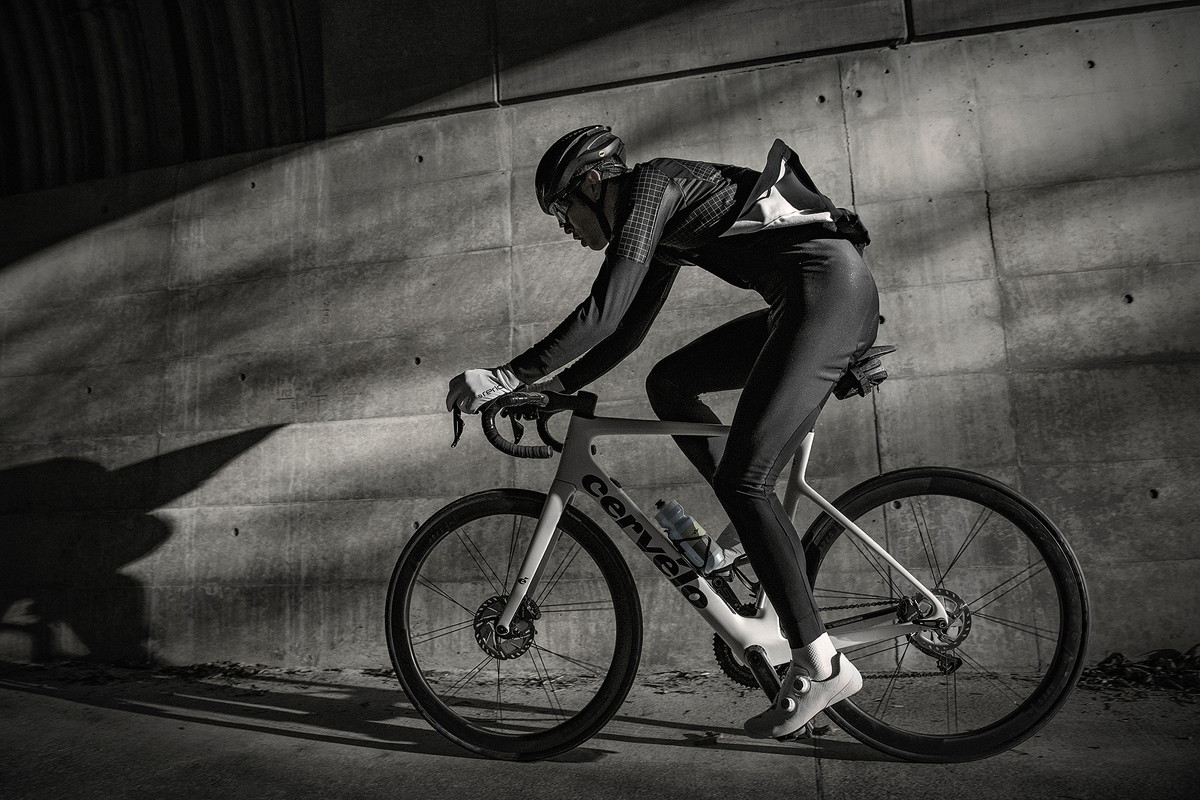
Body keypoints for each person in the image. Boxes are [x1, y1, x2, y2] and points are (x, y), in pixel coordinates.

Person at [445, 125, 879, 739]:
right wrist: (556, 387)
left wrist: (506, 375)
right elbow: (626, 331)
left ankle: (821, 663)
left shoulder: (653, 187)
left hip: (826, 297)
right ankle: (734, 543)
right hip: (806, 302)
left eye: (562, 208)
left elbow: (603, 311)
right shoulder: (661, 226)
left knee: (746, 481)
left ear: (591, 183)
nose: (564, 226)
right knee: (670, 384)